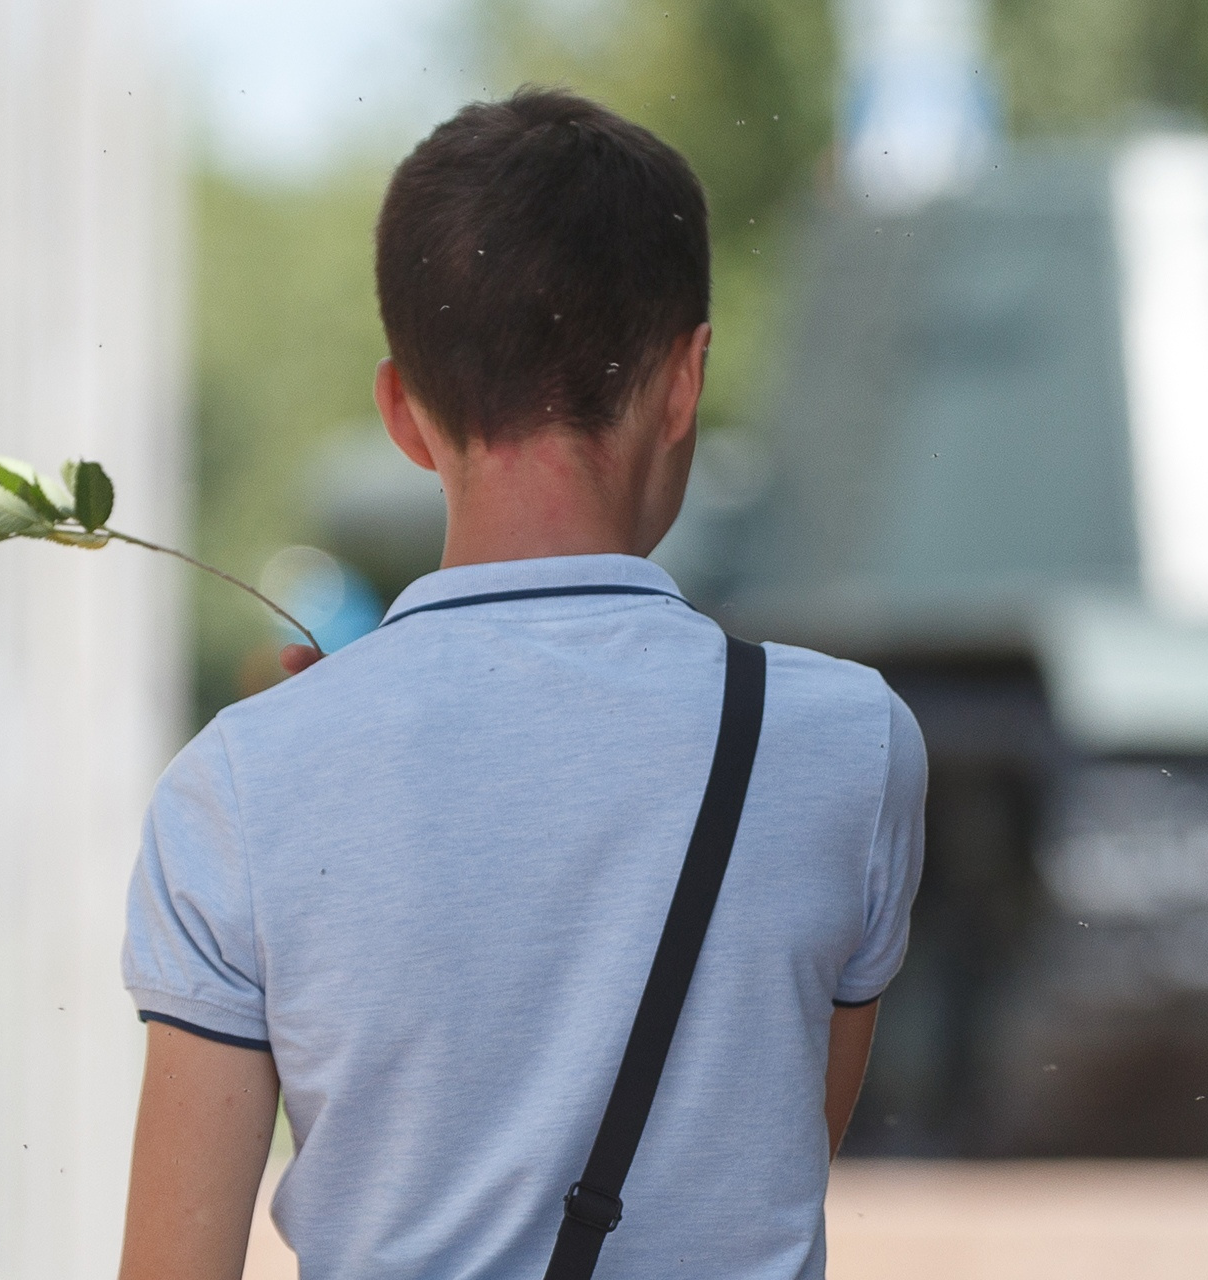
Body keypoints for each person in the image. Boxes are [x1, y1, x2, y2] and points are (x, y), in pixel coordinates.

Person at [116, 88, 926, 1280]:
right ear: (686, 379)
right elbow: (761, 1148)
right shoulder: (848, 744)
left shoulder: (235, 787)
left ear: (401, 410)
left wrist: (335, 735)